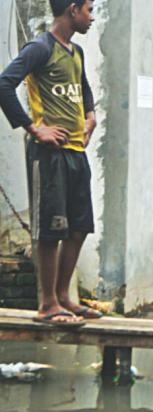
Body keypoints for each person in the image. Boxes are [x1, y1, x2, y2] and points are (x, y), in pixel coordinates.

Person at [0, 0, 98, 326]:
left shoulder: (77, 52)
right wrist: (33, 128)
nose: (92, 17)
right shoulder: (40, 48)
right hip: (49, 155)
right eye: (89, 10)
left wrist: (91, 117)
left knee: (80, 226)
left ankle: (66, 297)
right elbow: (4, 84)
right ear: (72, 10)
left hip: (76, 152)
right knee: (50, 230)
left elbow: (84, 91)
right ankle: (47, 304)